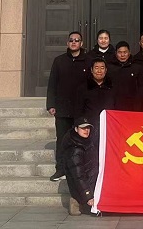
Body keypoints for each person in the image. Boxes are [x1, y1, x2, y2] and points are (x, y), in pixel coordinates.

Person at [46, 31, 88, 182]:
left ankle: (82, 169)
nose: (74, 42)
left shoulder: (88, 61)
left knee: (82, 140)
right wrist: (51, 104)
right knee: (62, 140)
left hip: (81, 109)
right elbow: (52, 83)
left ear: (81, 43)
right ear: (67, 43)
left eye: (77, 40)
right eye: (71, 40)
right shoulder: (59, 61)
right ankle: (61, 169)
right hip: (63, 108)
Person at [63, 117, 98, 217]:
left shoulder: (88, 142)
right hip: (83, 188)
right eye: (83, 128)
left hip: (92, 180)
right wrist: (88, 196)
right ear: (76, 129)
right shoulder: (74, 150)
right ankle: (76, 201)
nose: (86, 130)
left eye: (88, 128)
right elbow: (78, 177)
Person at [76, 59, 114, 127]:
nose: (99, 71)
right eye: (96, 68)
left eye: (102, 68)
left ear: (106, 70)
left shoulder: (113, 88)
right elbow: (78, 111)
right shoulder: (83, 88)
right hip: (89, 126)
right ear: (91, 70)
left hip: (109, 125)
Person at [108, 41, 143, 111]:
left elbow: (142, 89)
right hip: (114, 106)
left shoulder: (137, 67)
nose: (122, 55)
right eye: (120, 52)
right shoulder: (110, 68)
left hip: (132, 106)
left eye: (125, 52)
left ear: (129, 53)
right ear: (116, 53)